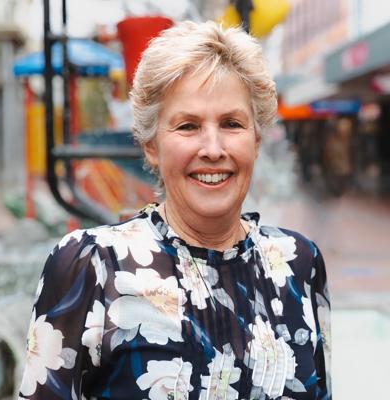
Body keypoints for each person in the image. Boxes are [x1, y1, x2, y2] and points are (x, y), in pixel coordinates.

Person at [19, 21, 331, 400]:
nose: (213, 148)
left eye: (232, 124)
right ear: (151, 145)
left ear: (256, 139)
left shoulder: (300, 262)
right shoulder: (93, 265)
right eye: (188, 126)